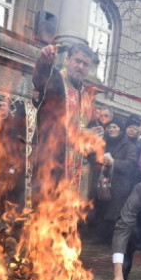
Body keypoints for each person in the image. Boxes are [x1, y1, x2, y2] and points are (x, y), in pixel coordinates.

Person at [29, 43, 98, 202]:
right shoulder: (56, 80)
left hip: (76, 170)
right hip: (51, 163)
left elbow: (89, 125)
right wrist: (44, 62)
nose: (81, 67)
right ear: (67, 60)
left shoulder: (86, 95)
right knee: (44, 209)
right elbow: (40, 80)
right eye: (77, 61)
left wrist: (93, 135)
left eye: (85, 64)